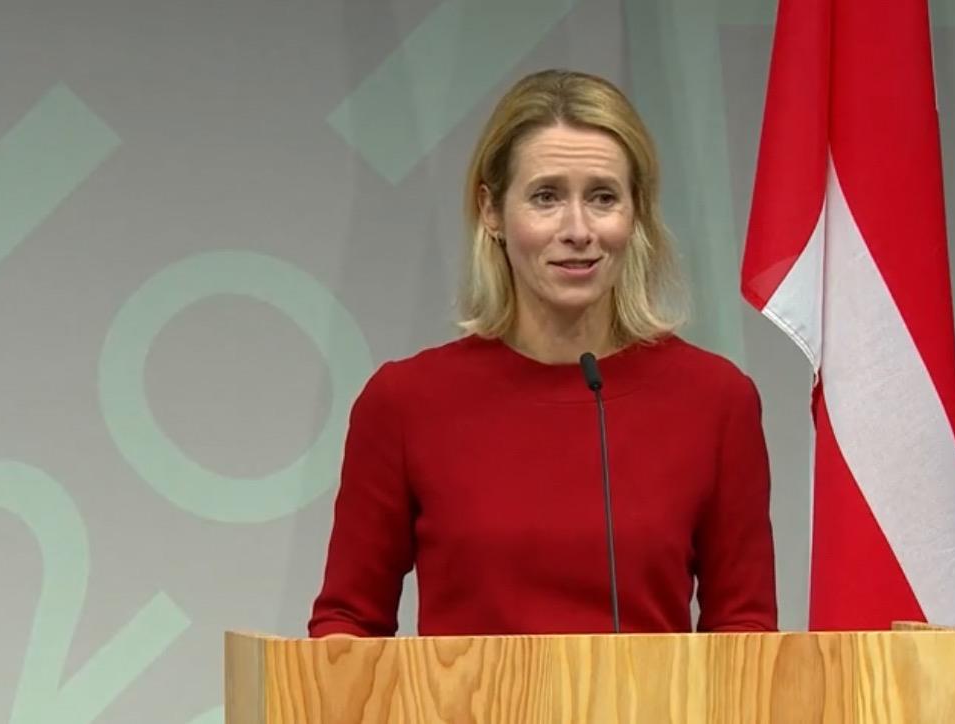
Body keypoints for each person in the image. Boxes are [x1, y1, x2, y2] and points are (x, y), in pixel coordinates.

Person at [308, 69, 776, 638]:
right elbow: (347, 628)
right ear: (491, 211)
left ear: (636, 212)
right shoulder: (404, 403)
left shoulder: (715, 401)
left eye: (603, 197)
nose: (578, 229)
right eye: (546, 197)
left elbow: (743, 632)